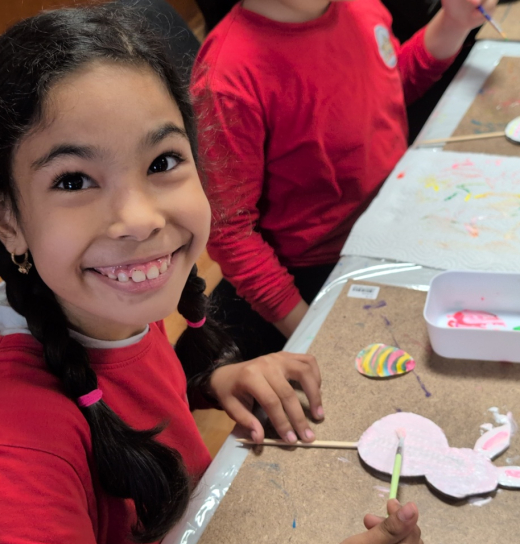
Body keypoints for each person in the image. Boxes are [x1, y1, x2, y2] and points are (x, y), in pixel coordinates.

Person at [0, 5, 428, 544]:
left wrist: (210, 381)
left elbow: (133, 394)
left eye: (162, 161)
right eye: (73, 180)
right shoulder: (17, 458)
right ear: (7, 220)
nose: (140, 219)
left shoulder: (108, 308)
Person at [192, 0, 497, 358]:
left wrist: (453, 23)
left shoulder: (358, 8)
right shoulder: (226, 80)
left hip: (399, 221)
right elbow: (229, 232)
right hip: (327, 273)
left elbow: (388, 86)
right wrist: (311, 333)